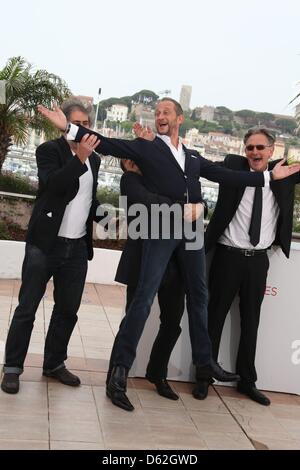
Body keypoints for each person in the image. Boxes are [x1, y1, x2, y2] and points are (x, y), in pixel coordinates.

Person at [38, 99, 299, 411]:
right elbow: (106, 143)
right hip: (162, 228)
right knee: (144, 300)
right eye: (157, 112)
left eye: (165, 112)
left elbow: (227, 176)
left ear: (179, 118)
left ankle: (205, 362)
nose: (160, 116)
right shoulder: (146, 149)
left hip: (190, 233)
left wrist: (270, 177)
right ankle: (118, 374)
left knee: (199, 296)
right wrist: (68, 127)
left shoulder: (192, 156)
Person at [1, 98, 101, 394]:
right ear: (65, 124)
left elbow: (89, 201)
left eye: (87, 124)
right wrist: (78, 158)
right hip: (44, 244)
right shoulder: (49, 151)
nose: (82, 129)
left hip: (77, 248)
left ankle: (54, 363)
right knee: (27, 308)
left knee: (68, 310)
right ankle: (13, 367)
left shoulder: (94, 158)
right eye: (77, 124)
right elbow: (55, 186)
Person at [196, 127, 300, 406]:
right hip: (227, 257)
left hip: (258, 262)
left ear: (272, 149)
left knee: (251, 322)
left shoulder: (285, 173)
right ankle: (204, 377)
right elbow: (201, 165)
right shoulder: (233, 167)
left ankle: (247, 381)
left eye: (260, 147)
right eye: (250, 147)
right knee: (214, 317)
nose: (254, 152)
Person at [107, 157, 187, 402]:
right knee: (132, 319)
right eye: (130, 159)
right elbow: (151, 205)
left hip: (174, 263)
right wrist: (178, 206)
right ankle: (115, 377)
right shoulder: (130, 181)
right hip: (143, 259)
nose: (138, 161)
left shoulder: (164, 179)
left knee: (173, 323)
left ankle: (157, 373)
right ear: (127, 164)